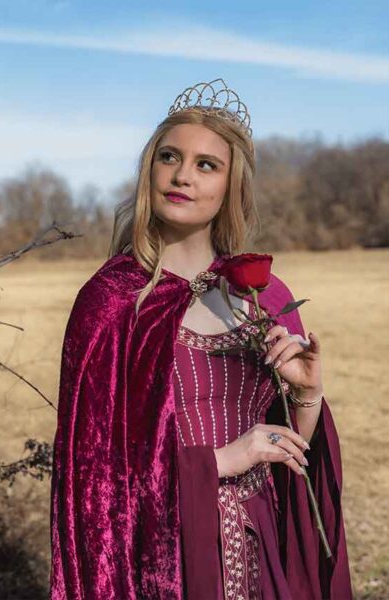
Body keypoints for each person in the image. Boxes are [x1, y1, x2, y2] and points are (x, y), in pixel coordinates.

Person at [49, 78, 352, 599]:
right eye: (170, 157)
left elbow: (297, 454)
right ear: (150, 169)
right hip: (166, 557)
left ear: (231, 185)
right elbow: (93, 472)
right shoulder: (113, 300)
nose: (183, 175)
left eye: (206, 164)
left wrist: (305, 394)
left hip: (263, 541)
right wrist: (219, 462)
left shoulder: (266, 294)